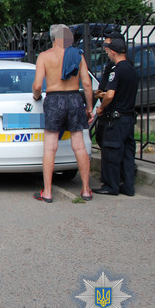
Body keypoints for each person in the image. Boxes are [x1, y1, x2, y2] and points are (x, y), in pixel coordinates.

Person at [32, 24, 94, 203]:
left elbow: (37, 85)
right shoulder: (78, 55)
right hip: (74, 98)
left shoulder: (44, 56)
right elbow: (87, 84)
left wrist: (36, 96)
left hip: (54, 100)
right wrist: (89, 107)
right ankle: (86, 190)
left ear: (53, 38)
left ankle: (48, 192)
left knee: (50, 147)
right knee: (79, 146)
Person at [93, 38, 139, 196]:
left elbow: (111, 95)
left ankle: (110, 186)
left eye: (108, 52)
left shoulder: (117, 70)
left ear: (113, 52)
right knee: (127, 155)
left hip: (116, 120)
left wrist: (101, 108)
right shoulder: (132, 70)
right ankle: (128, 187)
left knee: (111, 152)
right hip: (129, 118)